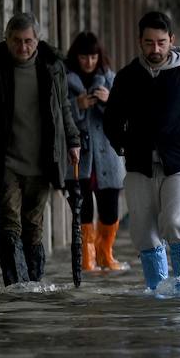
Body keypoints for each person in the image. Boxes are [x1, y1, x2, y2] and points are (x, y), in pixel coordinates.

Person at [0, 13, 81, 286]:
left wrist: (73, 142)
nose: (22, 47)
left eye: (28, 41)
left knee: (33, 227)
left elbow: (64, 108)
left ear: (37, 41)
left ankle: (34, 282)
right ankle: (16, 285)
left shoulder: (52, 67)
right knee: (10, 223)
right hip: (6, 162)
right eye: (16, 41)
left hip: (42, 160)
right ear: (6, 38)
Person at [103, 11, 180, 291]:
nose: (156, 49)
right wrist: (124, 145)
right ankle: (157, 292)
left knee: (176, 223)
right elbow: (111, 119)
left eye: (161, 42)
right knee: (143, 233)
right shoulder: (128, 77)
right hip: (140, 166)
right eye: (149, 42)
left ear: (172, 40)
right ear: (139, 41)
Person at [64, 31, 126, 271]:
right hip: (78, 157)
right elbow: (57, 114)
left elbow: (125, 118)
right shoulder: (66, 81)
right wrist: (76, 105)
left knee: (110, 211)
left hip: (108, 158)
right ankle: (86, 259)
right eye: (83, 57)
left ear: (99, 57)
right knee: (83, 211)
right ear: (75, 57)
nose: (89, 62)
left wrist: (110, 102)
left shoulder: (111, 79)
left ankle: (105, 254)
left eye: (93, 57)